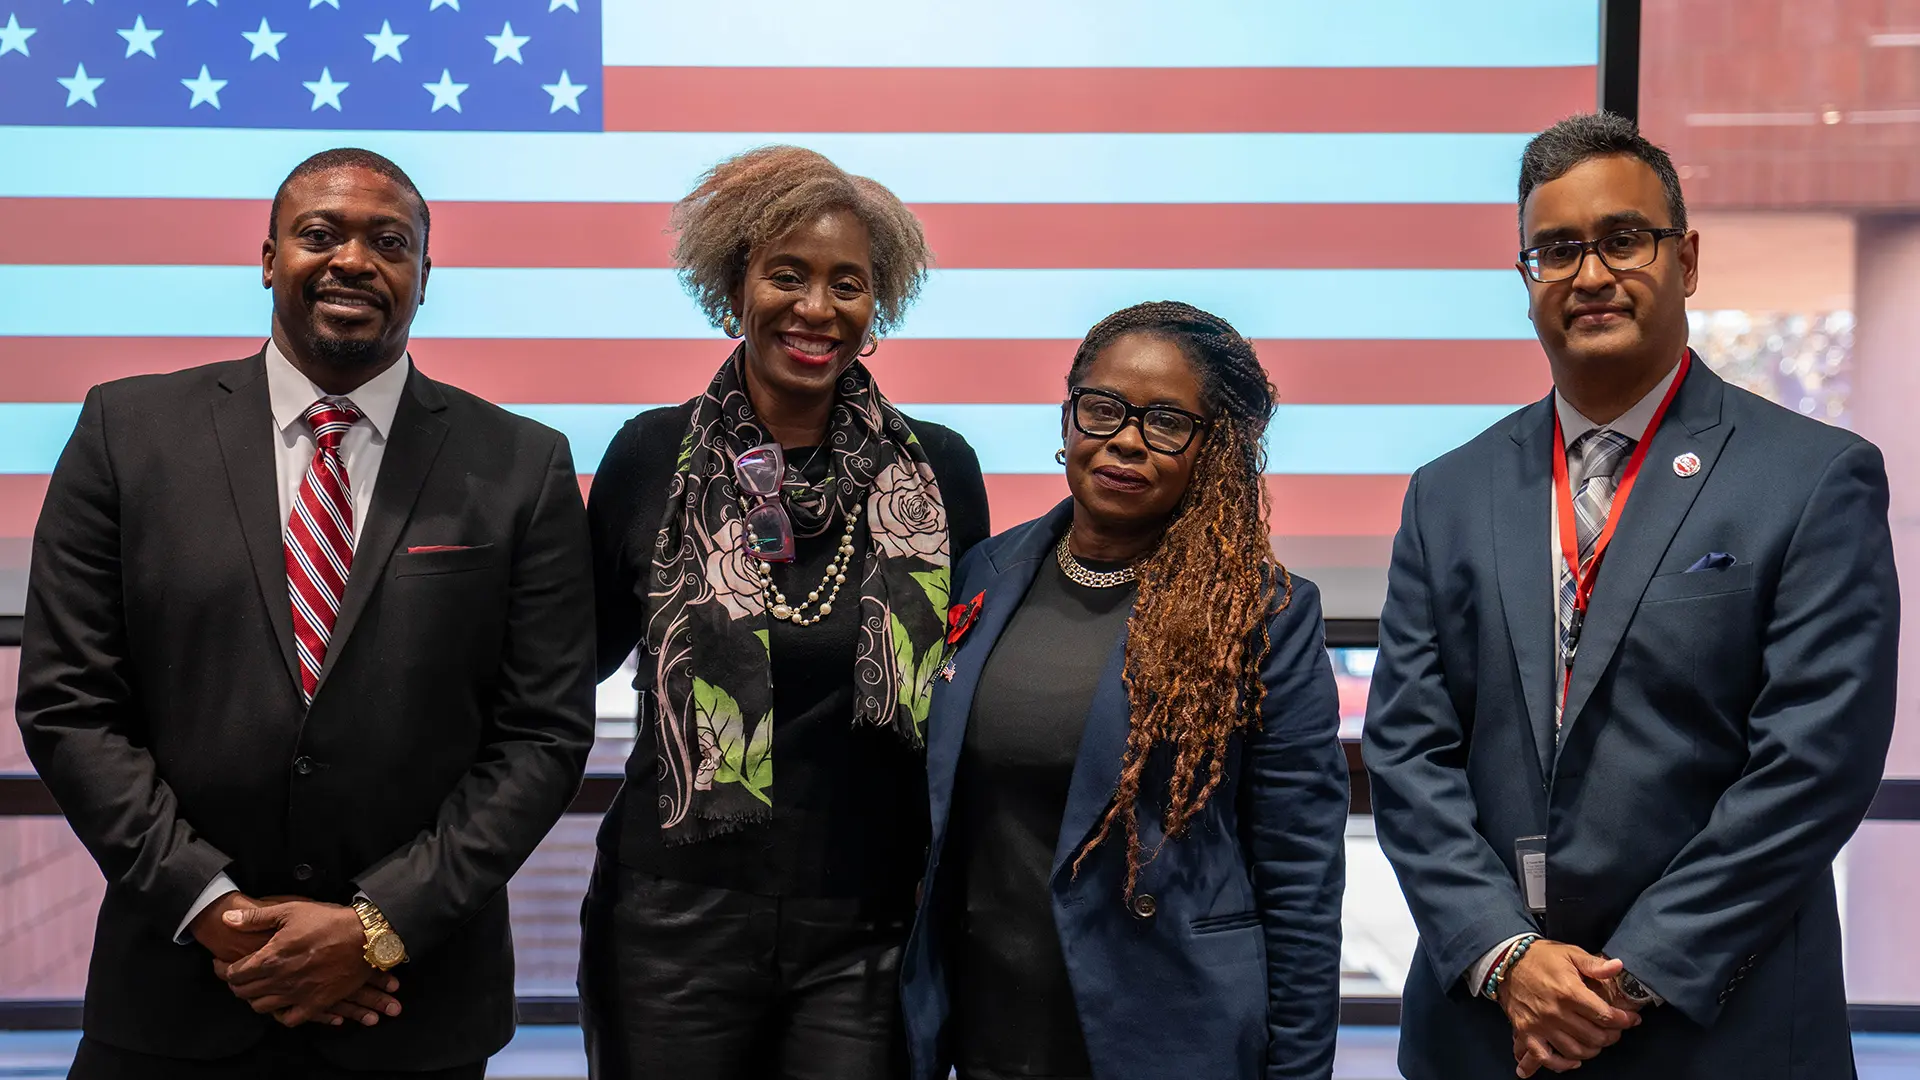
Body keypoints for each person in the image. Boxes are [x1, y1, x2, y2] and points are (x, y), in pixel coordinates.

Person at [16, 148, 597, 1079]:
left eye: (389, 241)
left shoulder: (521, 465)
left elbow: (543, 735)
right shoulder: (127, 434)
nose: (353, 260)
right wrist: (221, 917)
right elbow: (68, 703)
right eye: (319, 234)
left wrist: (376, 926)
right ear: (266, 257)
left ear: (424, 276)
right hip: (171, 997)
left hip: (408, 1008)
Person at [1363, 112, 1899, 1079]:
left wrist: (1628, 979)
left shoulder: (1813, 478)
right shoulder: (1449, 491)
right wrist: (1507, 959)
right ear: (1527, 281)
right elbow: (1406, 752)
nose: (1592, 273)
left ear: (1686, 259)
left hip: (1716, 1027)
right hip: (1489, 1029)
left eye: (1624, 239)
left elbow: (1813, 767)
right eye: (1557, 250)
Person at [579, 145, 990, 1079]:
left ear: (876, 306)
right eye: (788, 276)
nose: (817, 308)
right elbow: (573, 663)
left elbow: (962, 699)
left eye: (848, 284)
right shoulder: (652, 457)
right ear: (736, 287)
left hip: (868, 921)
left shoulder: (941, 472)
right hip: (671, 919)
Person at [899, 301, 1349, 1080]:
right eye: (1102, 408)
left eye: (1167, 422)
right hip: (989, 1028)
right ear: (1069, 415)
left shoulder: (1261, 613)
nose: (1126, 439)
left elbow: (1300, 875)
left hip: (1164, 1031)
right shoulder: (985, 574)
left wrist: (1300, 1068)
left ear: (1214, 450)